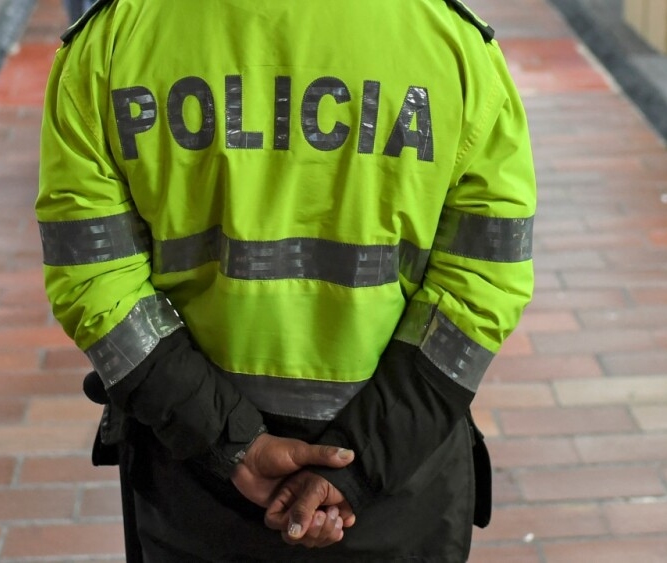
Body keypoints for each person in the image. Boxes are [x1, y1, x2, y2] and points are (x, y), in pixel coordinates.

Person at [35, 0, 536, 560]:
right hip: (400, 486)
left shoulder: (110, 42)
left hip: (196, 488)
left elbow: (92, 279)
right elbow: (485, 277)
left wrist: (236, 444)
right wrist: (361, 463)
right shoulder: (454, 44)